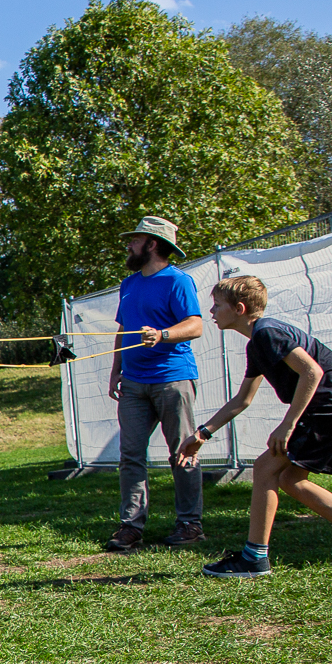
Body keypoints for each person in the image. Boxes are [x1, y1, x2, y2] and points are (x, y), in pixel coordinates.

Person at [179, 276, 332, 576]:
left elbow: (311, 372)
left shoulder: (268, 334)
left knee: (266, 467)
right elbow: (242, 399)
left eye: (217, 306)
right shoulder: (258, 343)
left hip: (331, 405)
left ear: (239, 308)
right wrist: (203, 433)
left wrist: (288, 425)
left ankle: (254, 557)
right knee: (291, 478)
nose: (211, 312)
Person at [104, 216, 205, 553]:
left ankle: (190, 524)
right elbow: (123, 329)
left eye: (135, 240)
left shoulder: (178, 281)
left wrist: (162, 335)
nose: (129, 245)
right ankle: (130, 527)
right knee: (130, 455)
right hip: (133, 382)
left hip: (173, 379)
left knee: (183, 453)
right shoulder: (129, 283)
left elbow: (194, 325)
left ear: (152, 244)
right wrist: (116, 370)